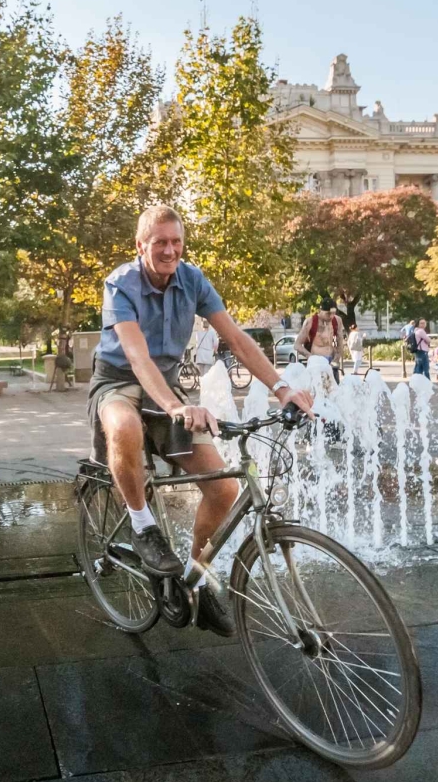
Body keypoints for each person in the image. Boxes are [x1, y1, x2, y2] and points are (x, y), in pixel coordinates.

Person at [91, 205, 314, 635]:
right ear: (141, 246)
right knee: (125, 426)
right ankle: (142, 527)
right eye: (160, 243)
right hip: (118, 381)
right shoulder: (121, 283)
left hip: (167, 387)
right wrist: (176, 407)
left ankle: (195, 578)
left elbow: (238, 340)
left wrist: (282, 388)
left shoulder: (193, 279)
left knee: (225, 488)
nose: (170, 250)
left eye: (176, 242)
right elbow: (137, 358)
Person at [294, 298, 345, 379]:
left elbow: (340, 341)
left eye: (333, 313)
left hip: (332, 362)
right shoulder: (310, 322)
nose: (331, 316)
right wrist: (311, 357)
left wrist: (337, 358)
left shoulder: (337, 320)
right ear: (320, 310)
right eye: (328, 313)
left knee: (335, 389)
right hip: (316, 365)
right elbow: (297, 345)